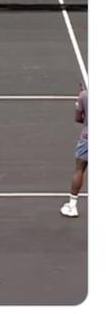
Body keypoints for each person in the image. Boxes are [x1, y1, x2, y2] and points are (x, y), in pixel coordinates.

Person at [60, 87, 88, 217]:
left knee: (79, 169)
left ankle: (72, 206)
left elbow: (78, 118)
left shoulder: (84, 95)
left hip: (87, 139)